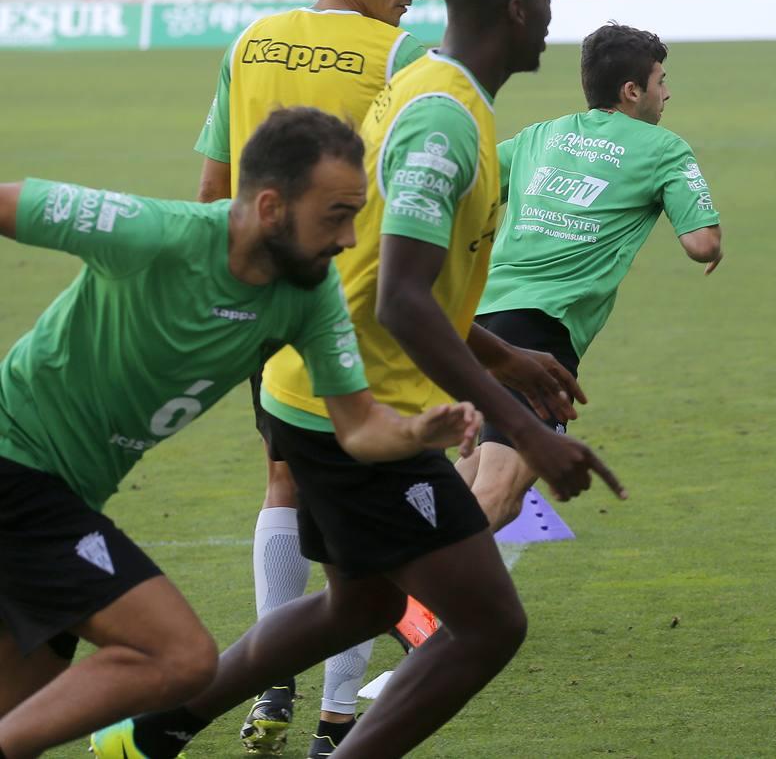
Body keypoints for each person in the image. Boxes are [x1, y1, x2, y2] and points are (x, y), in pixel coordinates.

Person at [93, 0, 623, 759]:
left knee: (362, 607)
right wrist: (520, 425)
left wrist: (504, 356)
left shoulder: (434, 90)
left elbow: (391, 269)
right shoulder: (442, 117)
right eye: (547, 6)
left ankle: (150, 734)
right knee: (489, 625)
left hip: (327, 388)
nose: (552, 26)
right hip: (362, 410)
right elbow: (401, 298)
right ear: (517, 11)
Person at [0, 107, 481, 759]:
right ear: (271, 206)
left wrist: (418, 431)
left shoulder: (308, 296)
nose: (347, 238)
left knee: (24, 704)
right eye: (335, 215)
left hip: (62, 493)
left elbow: (360, 426)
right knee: (178, 657)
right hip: (16, 467)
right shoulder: (154, 234)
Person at [192, 0, 430, 755]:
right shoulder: (406, 53)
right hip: (352, 301)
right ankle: (336, 719)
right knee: (356, 511)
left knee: (282, 481)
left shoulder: (252, 39)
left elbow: (214, 192)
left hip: (262, 293)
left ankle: (271, 685)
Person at [458, 22, 722, 531]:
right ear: (631, 91)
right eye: (660, 80)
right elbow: (702, 244)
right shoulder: (663, 148)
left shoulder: (541, 134)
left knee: (472, 480)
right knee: (499, 493)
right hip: (540, 335)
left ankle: (411, 596)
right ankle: (395, 599)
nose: (666, 92)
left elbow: (470, 186)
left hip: (478, 321)